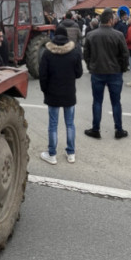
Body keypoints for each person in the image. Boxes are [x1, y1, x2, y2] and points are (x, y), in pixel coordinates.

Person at [39, 26, 83, 164]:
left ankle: (52, 154)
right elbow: (79, 73)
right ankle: (71, 153)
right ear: (66, 37)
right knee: (70, 123)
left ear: (54, 36)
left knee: (53, 124)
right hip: (69, 92)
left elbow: (43, 75)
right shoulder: (74, 52)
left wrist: (45, 90)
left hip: (52, 93)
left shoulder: (47, 53)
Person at [83, 8, 129, 139]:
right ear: (110, 20)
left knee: (97, 102)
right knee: (116, 102)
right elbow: (125, 54)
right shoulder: (118, 35)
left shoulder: (91, 35)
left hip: (97, 72)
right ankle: (119, 129)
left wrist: (90, 66)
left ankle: (95, 129)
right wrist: (123, 68)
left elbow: (86, 54)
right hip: (115, 72)